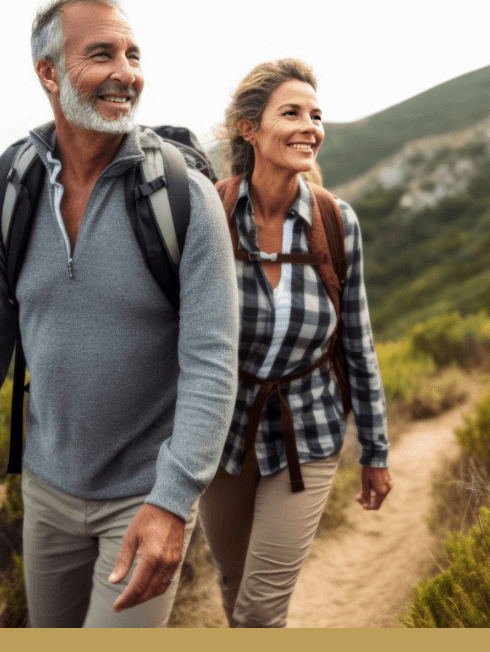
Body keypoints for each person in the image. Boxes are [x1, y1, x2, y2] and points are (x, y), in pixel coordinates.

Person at [0, 0, 239, 628]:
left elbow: (211, 364)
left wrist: (172, 504)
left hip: (145, 496)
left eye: (133, 54)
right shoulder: (6, 185)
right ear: (49, 74)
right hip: (45, 486)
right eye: (102, 54)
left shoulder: (184, 199)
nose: (127, 72)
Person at [198, 59, 393, 628]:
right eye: (292, 113)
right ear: (248, 128)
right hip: (222, 433)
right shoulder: (209, 214)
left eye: (316, 114)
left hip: (308, 432)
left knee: (261, 610)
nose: (310, 125)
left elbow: (357, 342)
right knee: (234, 585)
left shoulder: (336, 222)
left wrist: (376, 452)